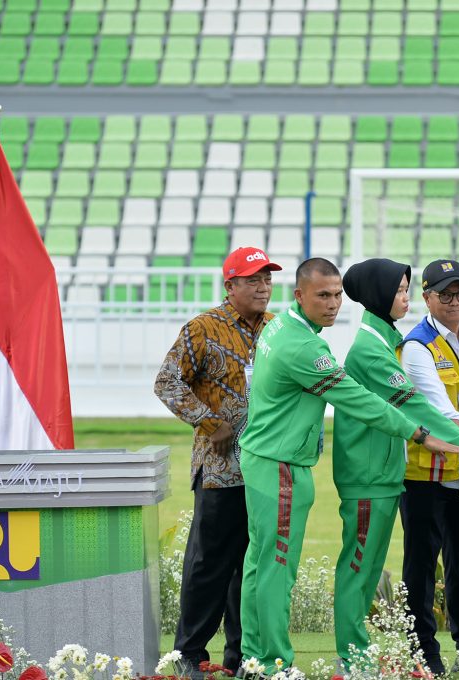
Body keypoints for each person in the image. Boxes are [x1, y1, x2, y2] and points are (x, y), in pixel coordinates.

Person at [237, 258, 459, 670]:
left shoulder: (280, 327)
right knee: (276, 568)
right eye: (323, 295)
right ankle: (273, 664)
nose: (333, 304)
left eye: (338, 294)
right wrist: (419, 434)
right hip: (281, 467)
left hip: (266, 459)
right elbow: (359, 401)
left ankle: (255, 659)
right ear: (299, 295)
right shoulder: (305, 346)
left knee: (260, 564)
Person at [332, 258, 459, 671]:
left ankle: (363, 657)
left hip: (390, 471)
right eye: (400, 290)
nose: (404, 298)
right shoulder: (383, 347)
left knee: (376, 569)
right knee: (367, 570)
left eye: (406, 289)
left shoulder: (384, 338)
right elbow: (417, 405)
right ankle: (359, 658)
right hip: (381, 474)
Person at [154, 246, 282, 677]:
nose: (263, 287)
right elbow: (167, 382)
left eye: (267, 279)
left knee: (251, 563)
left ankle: (240, 656)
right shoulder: (203, 328)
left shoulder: (277, 328)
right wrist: (210, 423)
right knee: (210, 563)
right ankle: (188, 654)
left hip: (266, 466)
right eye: (252, 279)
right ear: (230, 285)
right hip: (220, 469)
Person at [396, 259, 459, 674]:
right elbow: (439, 409)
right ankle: (423, 654)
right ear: (427, 298)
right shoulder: (416, 345)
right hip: (424, 476)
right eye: (444, 294)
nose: (454, 301)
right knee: (420, 568)